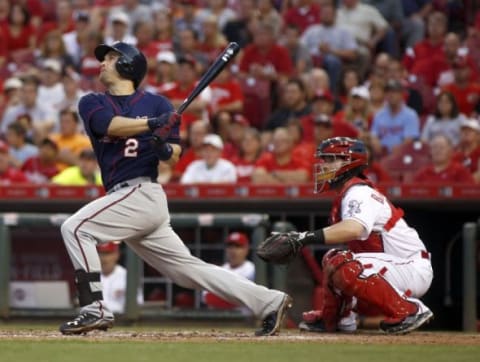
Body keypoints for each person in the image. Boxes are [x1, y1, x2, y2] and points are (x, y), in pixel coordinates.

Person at [58, 42, 291, 336]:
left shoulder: (158, 103)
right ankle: (270, 301)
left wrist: (161, 147)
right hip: (125, 196)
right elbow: (111, 126)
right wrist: (152, 126)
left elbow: (174, 157)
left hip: (142, 193)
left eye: (111, 57)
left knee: (76, 228)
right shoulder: (92, 102)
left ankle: (94, 309)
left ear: (129, 65)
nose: (103, 62)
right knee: (187, 272)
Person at [287, 137, 434, 334]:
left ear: (350, 162)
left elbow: (354, 228)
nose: (324, 166)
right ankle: (338, 318)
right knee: (332, 258)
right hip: (389, 269)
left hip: (409, 267)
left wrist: (303, 237)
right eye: (324, 160)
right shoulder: (348, 193)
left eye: (331, 160)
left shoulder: (359, 192)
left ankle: (410, 310)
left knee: (341, 262)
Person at [203, 232, 255, 311]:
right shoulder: (219, 270)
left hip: (246, 319)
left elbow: (245, 298)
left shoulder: (252, 270)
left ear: (246, 249)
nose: (233, 251)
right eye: (230, 246)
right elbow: (206, 297)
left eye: (238, 246)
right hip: (222, 319)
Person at [97, 241, 143, 314]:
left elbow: (139, 301)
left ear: (117, 254)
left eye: (108, 253)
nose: (104, 258)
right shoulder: (89, 277)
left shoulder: (127, 276)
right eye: (101, 253)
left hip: (121, 320)